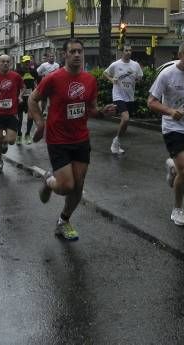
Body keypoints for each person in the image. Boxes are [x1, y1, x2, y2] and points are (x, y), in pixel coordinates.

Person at [29, 39, 117, 241]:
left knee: (78, 186)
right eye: (73, 51)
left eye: (80, 51)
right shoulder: (53, 78)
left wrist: (102, 113)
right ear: (65, 55)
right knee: (66, 185)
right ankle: (49, 181)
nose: (77, 54)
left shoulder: (89, 80)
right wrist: (40, 124)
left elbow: (91, 109)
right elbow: (32, 99)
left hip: (80, 138)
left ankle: (63, 221)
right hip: (58, 138)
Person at [148, 40, 184, 227]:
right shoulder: (167, 74)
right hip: (173, 128)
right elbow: (151, 102)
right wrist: (171, 111)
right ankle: (177, 210)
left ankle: (172, 165)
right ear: (180, 55)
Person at [104, 45, 144, 155]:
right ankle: (115, 142)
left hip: (129, 97)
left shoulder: (135, 65)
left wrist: (138, 79)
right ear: (122, 52)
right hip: (118, 95)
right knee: (126, 118)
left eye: (130, 50)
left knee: (125, 122)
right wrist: (112, 80)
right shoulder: (116, 64)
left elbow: (140, 79)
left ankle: (117, 142)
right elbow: (105, 73)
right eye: (126, 50)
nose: (128, 52)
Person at [17, 55, 38, 144]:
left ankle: (28, 134)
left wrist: (37, 93)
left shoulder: (33, 71)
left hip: (30, 97)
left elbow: (37, 82)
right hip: (20, 97)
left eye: (28, 62)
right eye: (25, 62)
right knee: (20, 119)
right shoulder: (18, 72)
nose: (27, 63)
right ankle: (19, 135)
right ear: (22, 63)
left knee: (30, 116)